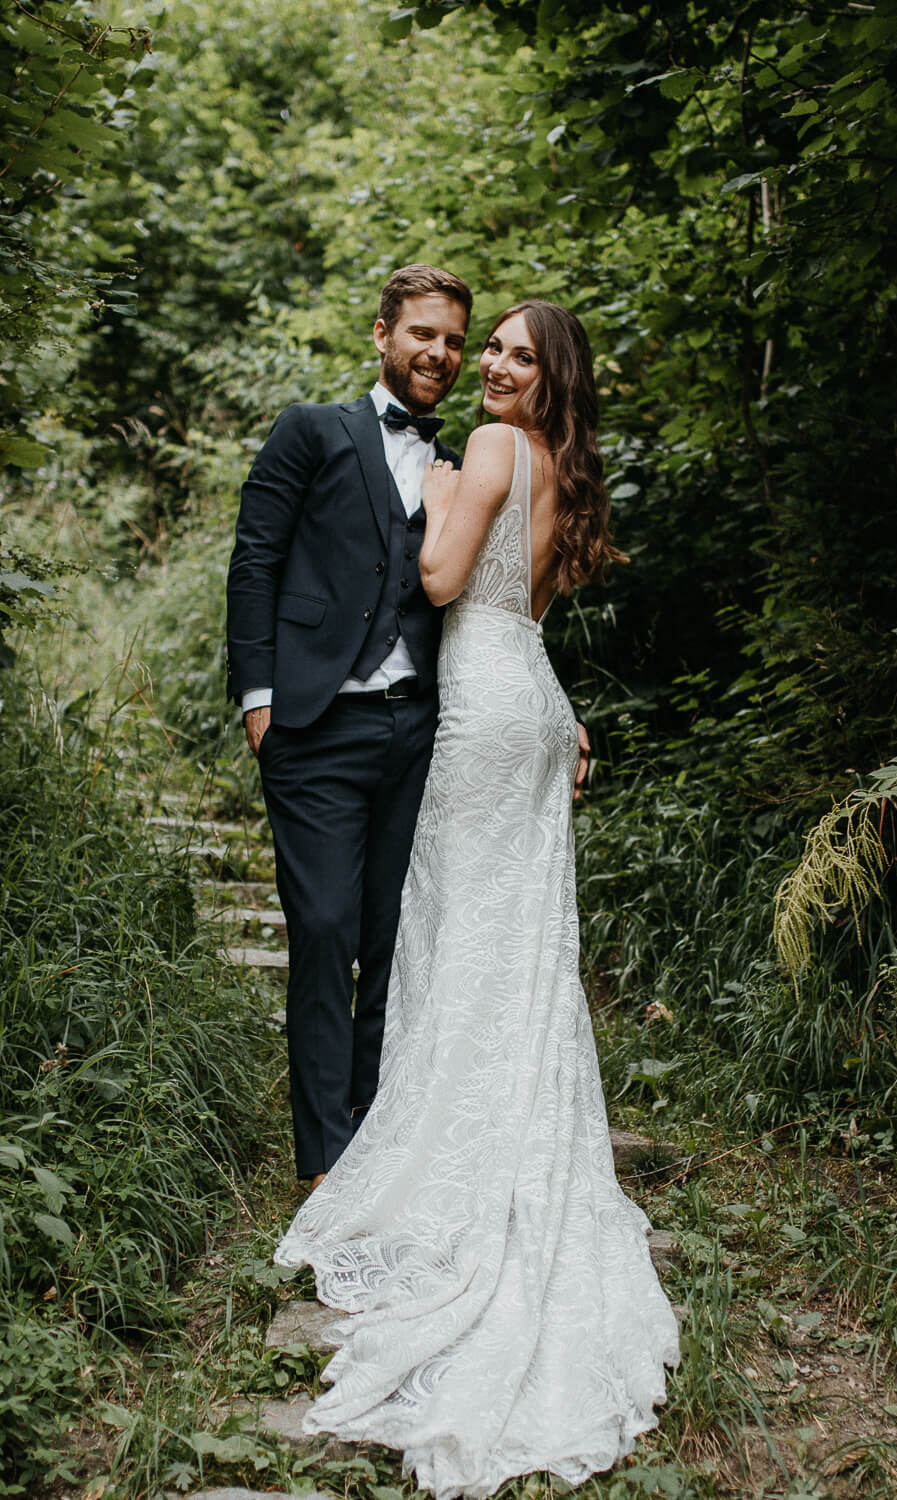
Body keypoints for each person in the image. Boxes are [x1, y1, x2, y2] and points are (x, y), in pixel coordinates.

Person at [274, 300, 680, 1498]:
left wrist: (442, 485)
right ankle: (509, 1129)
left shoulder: (493, 449)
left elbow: (446, 577)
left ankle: (452, 1146)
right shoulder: (562, 464)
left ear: (546, 376)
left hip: (485, 712)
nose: (491, 364)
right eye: (485, 348)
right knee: (516, 941)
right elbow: (528, 609)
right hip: (536, 701)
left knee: (462, 934)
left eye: (513, 353)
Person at [226, 265, 478, 1189]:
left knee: (391, 935)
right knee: (326, 929)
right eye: (423, 335)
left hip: (418, 732)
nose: (439, 355)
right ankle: (324, 1159)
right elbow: (255, 561)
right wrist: (258, 699)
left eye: (453, 340)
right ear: (382, 336)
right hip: (314, 726)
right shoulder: (311, 430)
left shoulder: (460, 465)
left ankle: (374, 1135)